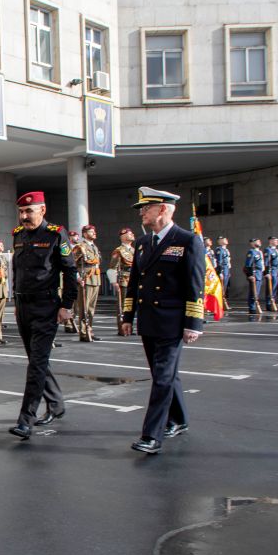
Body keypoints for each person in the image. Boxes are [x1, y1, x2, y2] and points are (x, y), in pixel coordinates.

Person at [121, 187, 205, 454]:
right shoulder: (143, 243)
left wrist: (193, 323)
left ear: (164, 209)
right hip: (148, 320)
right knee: (163, 375)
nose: (142, 213)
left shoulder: (188, 240)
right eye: (142, 209)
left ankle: (152, 435)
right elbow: (134, 282)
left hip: (172, 321)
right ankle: (179, 420)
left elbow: (195, 284)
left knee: (163, 378)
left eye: (146, 208)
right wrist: (127, 316)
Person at [8, 191, 77, 438]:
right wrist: (16, 299)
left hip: (46, 306)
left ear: (43, 210)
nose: (24, 216)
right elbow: (18, 270)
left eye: (29, 211)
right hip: (23, 306)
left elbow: (70, 271)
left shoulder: (56, 234)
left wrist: (66, 305)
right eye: (21, 212)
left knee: (37, 364)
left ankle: (26, 419)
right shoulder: (18, 234)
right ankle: (56, 404)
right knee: (37, 360)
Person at [72, 224, 102, 342]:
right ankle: (84, 333)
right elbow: (72, 264)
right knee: (84, 308)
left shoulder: (94, 247)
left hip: (95, 279)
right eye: (91, 231)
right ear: (84, 234)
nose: (94, 233)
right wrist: (78, 278)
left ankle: (89, 330)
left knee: (91, 309)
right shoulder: (80, 247)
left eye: (94, 231)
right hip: (85, 279)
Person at [110, 228, 136, 336]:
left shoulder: (134, 250)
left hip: (134, 279)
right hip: (124, 279)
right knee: (124, 305)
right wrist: (114, 281)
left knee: (132, 305)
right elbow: (112, 267)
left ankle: (130, 327)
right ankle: (122, 328)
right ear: (123, 236)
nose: (132, 234)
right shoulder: (119, 250)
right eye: (130, 233)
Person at [243, 238, 264, 314]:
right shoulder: (251, 252)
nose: (259, 242)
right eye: (257, 241)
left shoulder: (259, 252)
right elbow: (248, 265)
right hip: (254, 274)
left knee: (257, 292)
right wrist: (250, 275)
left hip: (259, 273)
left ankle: (254, 306)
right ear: (252, 243)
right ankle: (252, 307)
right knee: (253, 292)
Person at [263, 236, 278, 310]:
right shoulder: (268, 250)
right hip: (271, 270)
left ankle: (272, 301)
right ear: (270, 241)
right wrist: (267, 272)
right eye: (275, 240)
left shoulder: (276, 250)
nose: (277, 242)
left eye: (277, 240)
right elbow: (266, 262)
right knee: (270, 288)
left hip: (276, 270)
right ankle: (269, 304)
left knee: (274, 288)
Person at [214, 236, 232, 311]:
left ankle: (222, 303)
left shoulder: (226, 250)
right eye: (223, 239)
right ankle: (219, 304)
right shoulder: (219, 250)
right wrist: (220, 272)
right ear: (219, 241)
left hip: (226, 269)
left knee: (224, 288)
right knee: (221, 288)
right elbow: (219, 262)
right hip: (223, 270)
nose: (226, 240)